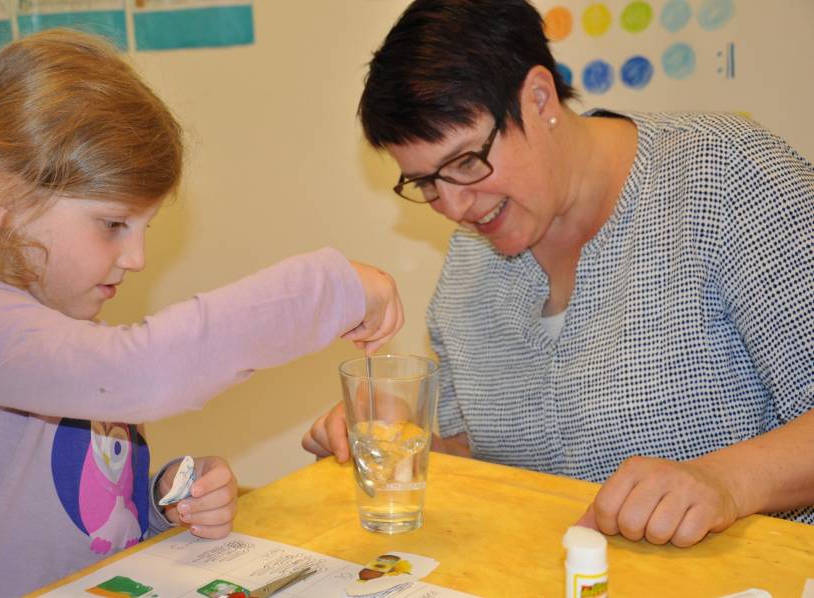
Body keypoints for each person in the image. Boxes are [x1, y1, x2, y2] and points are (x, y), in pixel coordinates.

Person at [303, 0, 813, 547]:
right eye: (426, 182)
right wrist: (395, 438)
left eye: (466, 163)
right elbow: (493, 454)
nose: (452, 206)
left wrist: (726, 481)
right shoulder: (471, 263)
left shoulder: (723, 179)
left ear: (539, 97)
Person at [0, 29, 404, 597]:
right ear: (0, 200)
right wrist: (330, 287)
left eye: (144, 229)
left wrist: (159, 501)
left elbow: (63, 522)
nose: (138, 257)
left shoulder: (68, 332)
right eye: (113, 224)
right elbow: (143, 373)